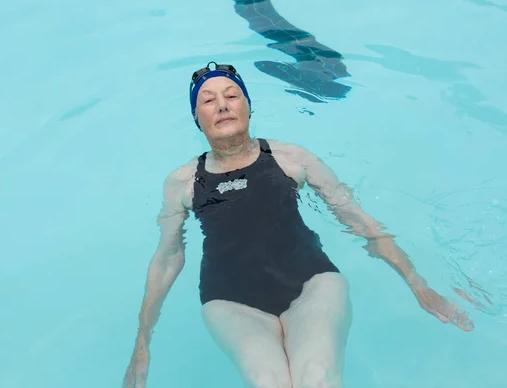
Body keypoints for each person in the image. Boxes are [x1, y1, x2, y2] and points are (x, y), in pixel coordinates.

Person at [122, 62, 474, 388]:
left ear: (248, 106)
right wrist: (142, 342)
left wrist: (417, 283)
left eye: (232, 95)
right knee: (267, 380)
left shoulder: (292, 158)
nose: (223, 105)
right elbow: (168, 257)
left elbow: (355, 217)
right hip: (230, 302)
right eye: (208, 101)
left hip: (311, 284)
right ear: (197, 119)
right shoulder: (182, 182)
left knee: (317, 377)